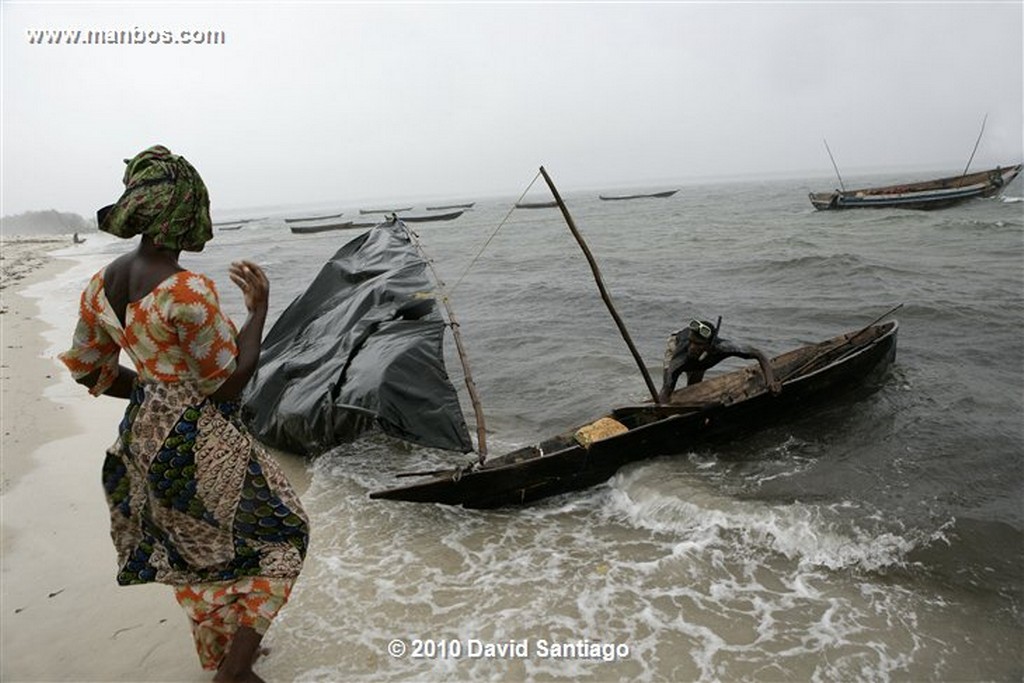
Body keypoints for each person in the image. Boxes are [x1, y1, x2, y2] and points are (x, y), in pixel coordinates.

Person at [59, 145, 308, 683]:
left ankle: (227, 658)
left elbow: (89, 369)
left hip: (142, 440)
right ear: (188, 212)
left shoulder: (101, 283)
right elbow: (227, 383)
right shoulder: (187, 290)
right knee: (286, 537)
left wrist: (153, 391)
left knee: (196, 549)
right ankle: (234, 673)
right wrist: (259, 311)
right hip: (199, 441)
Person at [658, 318, 782, 403]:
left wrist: (770, 382)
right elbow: (666, 390)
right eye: (691, 342)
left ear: (709, 345)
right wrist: (662, 412)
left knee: (695, 384)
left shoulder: (723, 347)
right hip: (675, 343)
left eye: (698, 344)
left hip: (704, 357)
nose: (692, 347)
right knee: (669, 382)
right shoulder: (679, 358)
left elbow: (759, 354)